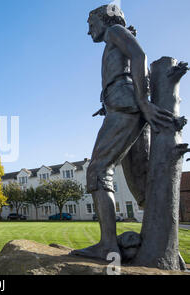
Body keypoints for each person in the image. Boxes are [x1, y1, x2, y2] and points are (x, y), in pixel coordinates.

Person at [71, 5, 174, 260]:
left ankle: (107, 245)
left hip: (125, 107)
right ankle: (157, 246)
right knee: (138, 180)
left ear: (105, 19)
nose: (88, 30)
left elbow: (139, 56)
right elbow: (129, 66)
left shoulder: (116, 31)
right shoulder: (114, 39)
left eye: (90, 22)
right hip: (122, 107)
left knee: (97, 170)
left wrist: (142, 100)